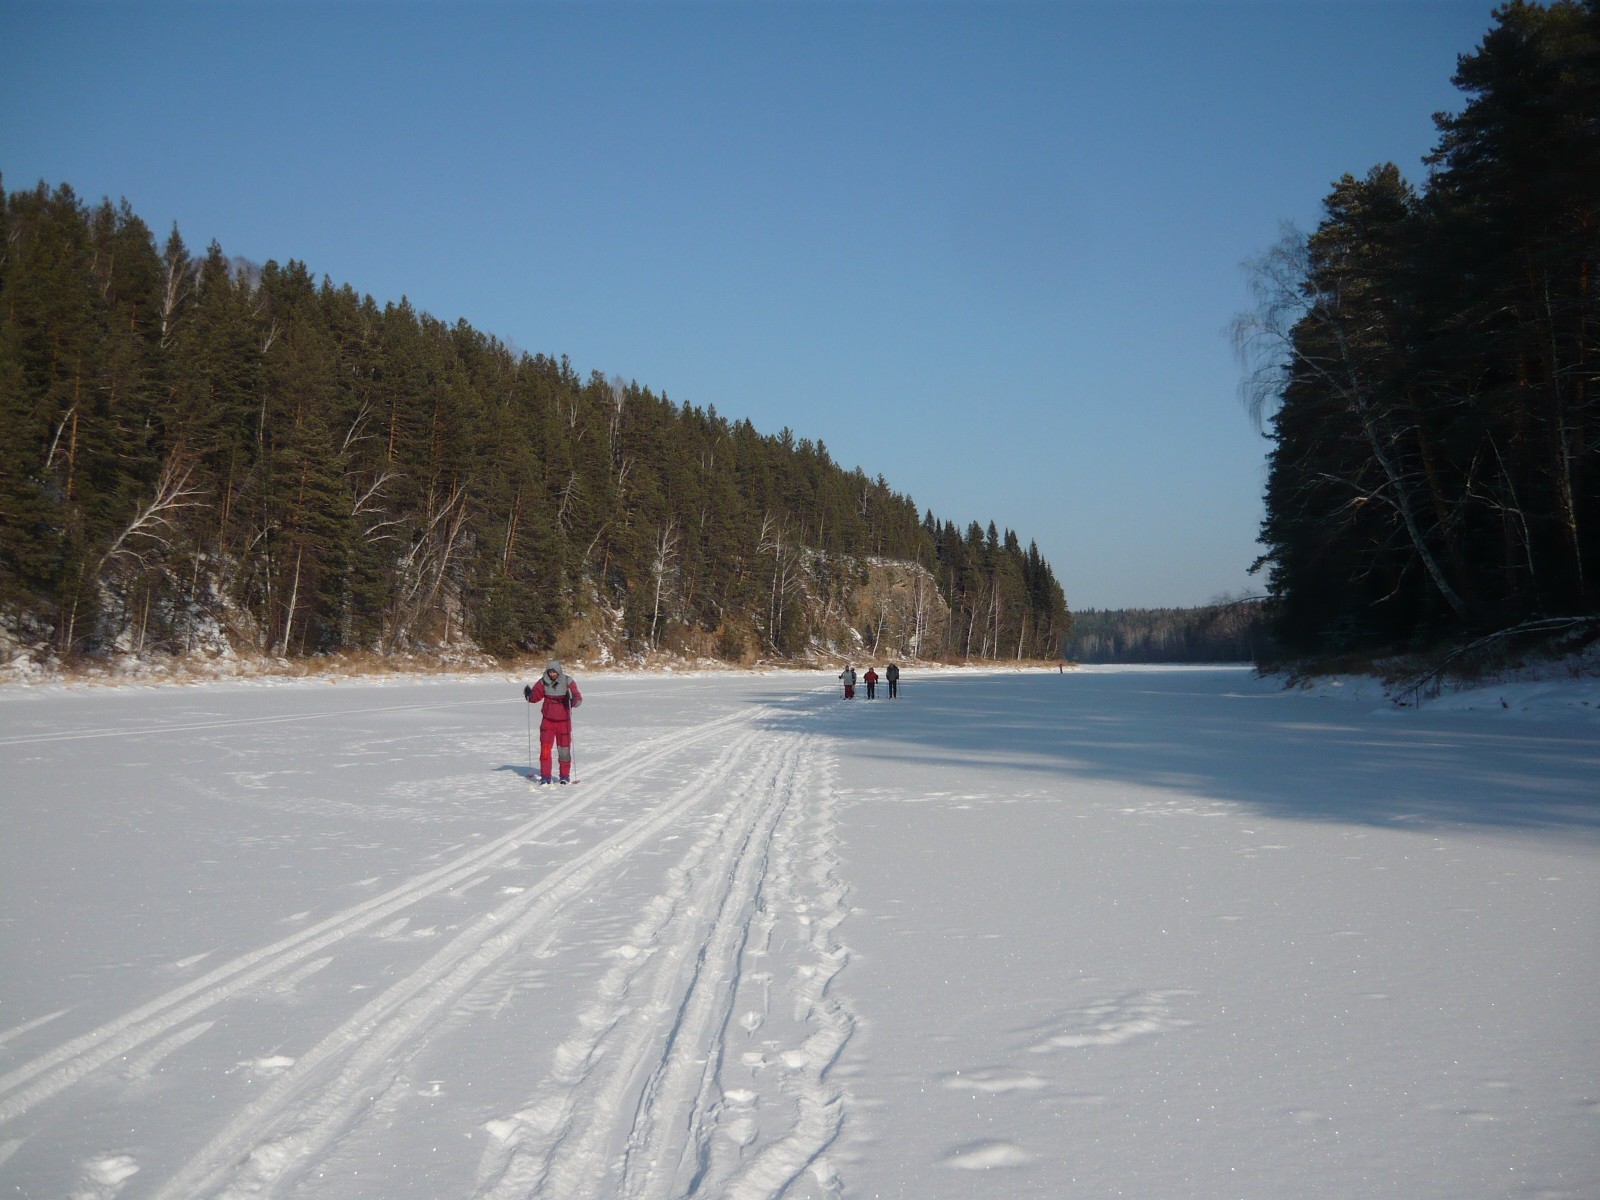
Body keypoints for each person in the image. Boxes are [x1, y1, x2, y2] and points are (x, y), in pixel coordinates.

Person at [523, 660, 583, 784]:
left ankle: (564, 776)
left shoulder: (568, 681)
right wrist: (529, 694)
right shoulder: (543, 682)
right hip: (548, 722)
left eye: (554, 671)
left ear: (558, 671)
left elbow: (578, 698)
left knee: (564, 751)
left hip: (564, 723)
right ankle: (545, 777)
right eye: (550, 672)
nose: (552, 674)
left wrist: (573, 701)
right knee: (545, 750)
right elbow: (535, 697)